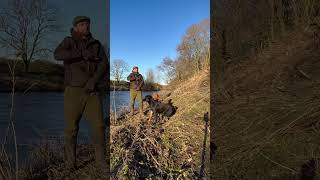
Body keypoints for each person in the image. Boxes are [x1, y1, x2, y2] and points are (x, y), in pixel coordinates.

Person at [53, 16, 108, 176]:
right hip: (73, 91)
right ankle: (70, 164)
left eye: (88, 24)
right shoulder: (69, 41)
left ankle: (101, 164)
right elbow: (57, 55)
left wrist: (93, 81)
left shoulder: (96, 44)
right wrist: (80, 53)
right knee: (71, 129)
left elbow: (104, 64)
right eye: (82, 25)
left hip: (92, 91)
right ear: (76, 27)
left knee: (99, 127)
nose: (86, 27)